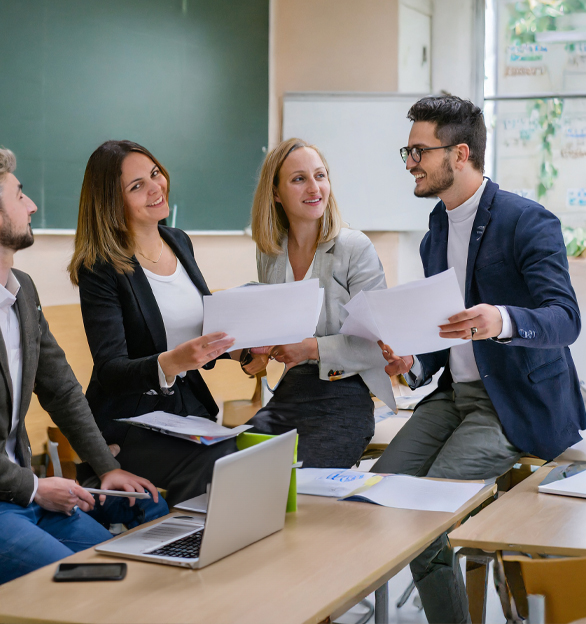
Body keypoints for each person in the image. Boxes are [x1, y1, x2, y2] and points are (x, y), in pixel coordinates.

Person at [0, 148, 167, 586]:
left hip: (21, 496)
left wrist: (106, 468)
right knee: (93, 578)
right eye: (20, 196)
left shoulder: (22, 288)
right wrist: (36, 488)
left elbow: (60, 388)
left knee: (131, 553)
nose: (31, 205)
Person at [373, 95, 586, 623]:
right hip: (454, 398)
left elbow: (565, 319)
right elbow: (440, 335)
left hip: (513, 402)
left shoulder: (526, 221)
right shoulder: (436, 231)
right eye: (408, 151)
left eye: (418, 151)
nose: (409, 163)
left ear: (460, 153)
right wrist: (412, 363)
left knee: (428, 525)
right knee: (374, 503)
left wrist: (504, 320)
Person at [68, 140, 241, 506]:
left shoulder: (178, 241)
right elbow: (111, 370)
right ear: (112, 202)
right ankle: (188, 551)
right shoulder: (99, 266)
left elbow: (194, 338)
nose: (155, 187)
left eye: (155, 174)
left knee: (249, 454)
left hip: (186, 410)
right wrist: (174, 362)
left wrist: (240, 351)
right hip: (130, 421)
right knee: (217, 463)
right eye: (136, 186)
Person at [245, 138, 395, 468]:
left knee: (300, 484)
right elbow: (273, 325)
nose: (315, 188)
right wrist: (253, 352)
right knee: (237, 469)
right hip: (290, 395)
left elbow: (379, 344)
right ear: (275, 193)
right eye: (299, 179)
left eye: (320, 175)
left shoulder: (355, 248)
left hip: (343, 397)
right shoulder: (270, 253)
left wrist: (311, 348)